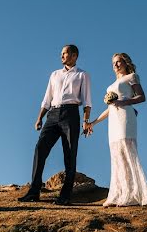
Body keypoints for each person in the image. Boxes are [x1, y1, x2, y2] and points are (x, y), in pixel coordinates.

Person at [18, 44, 92, 205]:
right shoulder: (54, 74)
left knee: (70, 155)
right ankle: (34, 191)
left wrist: (86, 121)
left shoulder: (82, 75)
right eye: (61, 53)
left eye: (65, 53)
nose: (62, 56)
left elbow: (87, 101)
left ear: (74, 56)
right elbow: (47, 99)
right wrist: (39, 118)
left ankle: (65, 196)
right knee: (40, 149)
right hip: (52, 114)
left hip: (71, 114)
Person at [84, 52, 147, 206]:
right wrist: (93, 123)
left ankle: (134, 195)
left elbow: (142, 97)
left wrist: (124, 102)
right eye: (113, 63)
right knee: (117, 155)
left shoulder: (131, 77)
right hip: (114, 121)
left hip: (126, 117)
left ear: (125, 62)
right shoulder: (112, 85)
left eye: (118, 62)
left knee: (127, 151)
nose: (115, 65)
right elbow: (109, 108)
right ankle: (119, 194)